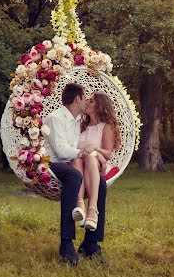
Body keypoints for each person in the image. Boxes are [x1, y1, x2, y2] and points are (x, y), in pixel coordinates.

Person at [43, 83, 107, 266]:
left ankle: (91, 242)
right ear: (77, 99)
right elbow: (62, 151)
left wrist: (95, 156)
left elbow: (82, 145)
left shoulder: (77, 120)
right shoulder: (56, 118)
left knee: (100, 184)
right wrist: (83, 154)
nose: (86, 100)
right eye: (85, 97)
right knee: (74, 176)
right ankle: (66, 244)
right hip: (52, 164)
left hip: (71, 163)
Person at [71, 92, 122, 231]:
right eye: (87, 100)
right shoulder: (82, 125)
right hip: (79, 163)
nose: (87, 102)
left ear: (100, 106)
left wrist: (94, 148)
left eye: (91, 101)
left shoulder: (106, 126)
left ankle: (92, 209)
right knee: (76, 158)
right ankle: (80, 204)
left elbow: (108, 153)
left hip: (97, 164)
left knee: (89, 157)